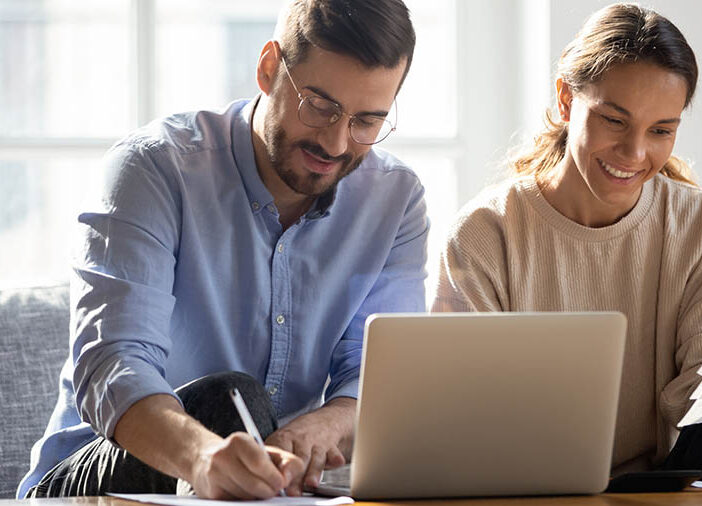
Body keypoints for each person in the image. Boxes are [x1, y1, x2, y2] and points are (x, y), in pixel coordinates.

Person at [19, 0, 427, 499]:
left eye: (366, 121)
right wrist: (204, 456)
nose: (338, 143)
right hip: (89, 482)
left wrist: (320, 428)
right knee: (230, 400)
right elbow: (113, 364)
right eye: (320, 107)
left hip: (264, 487)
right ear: (269, 67)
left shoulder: (396, 201)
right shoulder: (154, 169)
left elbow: (377, 376)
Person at [432, 3, 702, 481]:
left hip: (667, 478)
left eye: (661, 130)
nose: (635, 153)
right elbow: (463, 409)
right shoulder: (486, 234)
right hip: (527, 477)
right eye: (614, 120)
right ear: (566, 100)